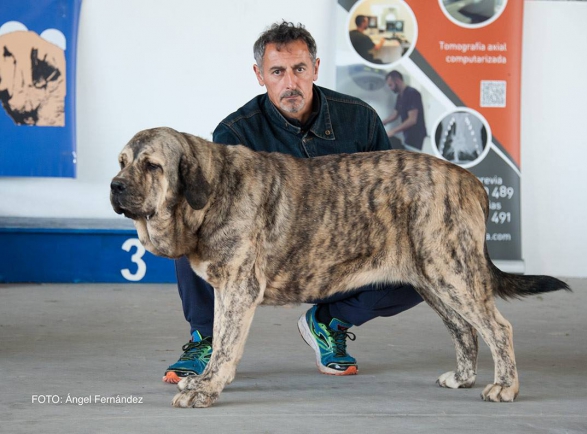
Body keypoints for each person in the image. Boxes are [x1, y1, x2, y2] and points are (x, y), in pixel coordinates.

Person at [163, 21, 423, 384]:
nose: (290, 82)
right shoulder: (235, 133)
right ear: (259, 75)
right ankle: (205, 336)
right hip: (270, 257)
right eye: (277, 72)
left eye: (300, 69)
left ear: (315, 68)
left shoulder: (360, 119)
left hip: (344, 255)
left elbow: (390, 196)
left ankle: (330, 320)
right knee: (191, 226)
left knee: (421, 268)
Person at [382, 70, 427, 151]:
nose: (390, 88)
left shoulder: (412, 93)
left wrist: (393, 131)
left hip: (416, 134)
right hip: (408, 133)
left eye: (390, 85)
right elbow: (395, 114)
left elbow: (412, 120)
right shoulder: (400, 96)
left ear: (398, 81)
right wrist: (382, 122)